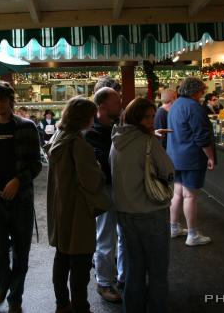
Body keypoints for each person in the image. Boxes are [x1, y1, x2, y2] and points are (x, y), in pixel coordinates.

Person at [0, 81, 42, 313]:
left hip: (21, 202)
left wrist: (18, 180)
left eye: (3, 100)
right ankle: (3, 282)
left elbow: (37, 163)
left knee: (21, 254)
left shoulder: (27, 127)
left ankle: (15, 298)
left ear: (11, 102)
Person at [110, 97, 175, 313]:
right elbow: (168, 170)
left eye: (152, 116)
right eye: (147, 117)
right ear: (137, 118)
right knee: (157, 271)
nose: (151, 121)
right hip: (151, 213)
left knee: (134, 269)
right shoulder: (148, 142)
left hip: (124, 213)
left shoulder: (116, 140)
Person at [47, 96, 109, 313]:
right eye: (92, 115)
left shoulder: (59, 137)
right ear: (83, 117)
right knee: (81, 263)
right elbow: (92, 182)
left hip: (60, 208)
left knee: (62, 259)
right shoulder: (80, 144)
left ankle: (62, 305)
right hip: (79, 211)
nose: (94, 119)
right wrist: (99, 167)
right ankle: (80, 307)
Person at [84, 87, 124, 303]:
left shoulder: (119, 126)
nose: (121, 104)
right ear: (102, 107)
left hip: (123, 189)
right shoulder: (91, 133)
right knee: (106, 239)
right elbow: (101, 168)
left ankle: (123, 277)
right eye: (116, 102)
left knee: (125, 236)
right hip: (106, 191)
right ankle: (104, 283)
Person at [167, 77, 215, 246]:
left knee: (177, 193)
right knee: (190, 196)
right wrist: (210, 156)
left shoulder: (176, 104)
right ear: (196, 91)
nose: (203, 94)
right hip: (191, 158)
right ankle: (192, 235)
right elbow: (202, 137)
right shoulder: (194, 107)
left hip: (174, 156)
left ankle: (173, 227)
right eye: (202, 91)